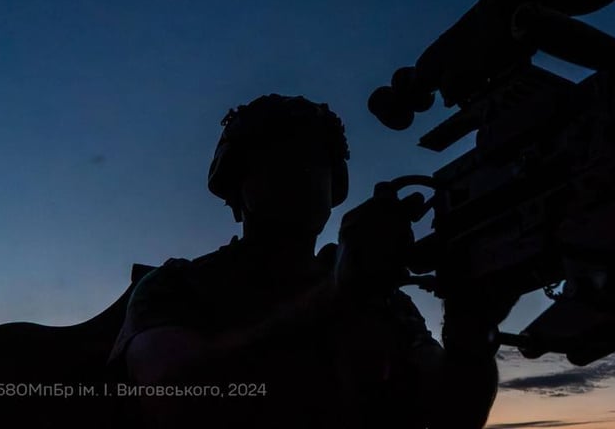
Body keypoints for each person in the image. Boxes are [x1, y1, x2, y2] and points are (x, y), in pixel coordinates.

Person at [108, 93, 514, 428]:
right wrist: (338, 292)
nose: (296, 173)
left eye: (311, 160)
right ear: (236, 191)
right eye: (271, 161)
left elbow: (455, 414)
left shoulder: (385, 303)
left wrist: (471, 326)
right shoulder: (173, 286)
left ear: (334, 185)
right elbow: (172, 393)